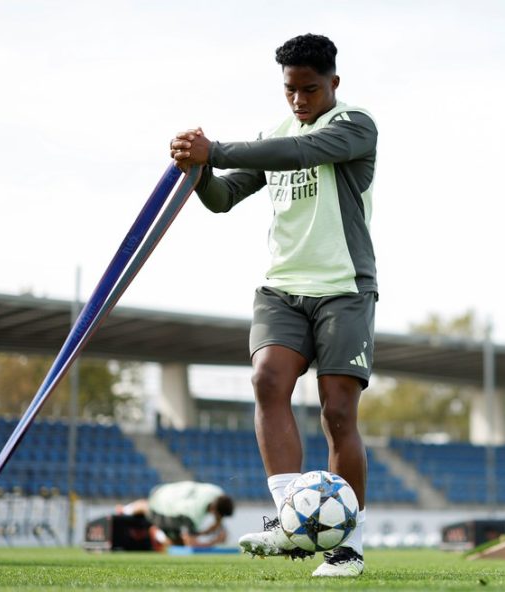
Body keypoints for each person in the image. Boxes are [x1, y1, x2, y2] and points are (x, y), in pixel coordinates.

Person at [168, 33, 376, 577]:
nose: (299, 101)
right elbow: (223, 198)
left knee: (337, 411)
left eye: (310, 89)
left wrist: (218, 149)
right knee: (265, 380)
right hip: (281, 287)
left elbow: (300, 152)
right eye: (290, 90)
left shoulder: (355, 126)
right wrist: (200, 170)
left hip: (344, 288)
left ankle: (344, 546)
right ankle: (290, 518)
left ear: (334, 82)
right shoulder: (274, 132)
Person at [118, 481, 234, 548]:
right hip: (161, 502)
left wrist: (214, 526)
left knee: (181, 534)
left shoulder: (217, 492)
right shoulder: (192, 515)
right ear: (214, 510)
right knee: (177, 541)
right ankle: (158, 533)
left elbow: (217, 515)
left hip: (169, 490)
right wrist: (214, 542)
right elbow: (190, 546)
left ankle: (126, 509)